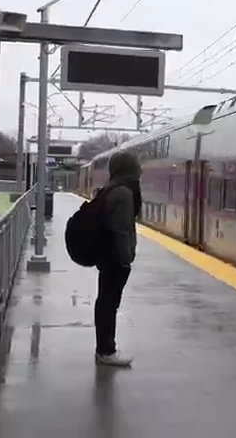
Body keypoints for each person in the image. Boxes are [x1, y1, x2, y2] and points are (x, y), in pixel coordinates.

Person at [94, 151, 142, 367]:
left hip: (107, 257)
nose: (140, 170)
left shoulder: (111, 188)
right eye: (136, 166)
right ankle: (106, 350)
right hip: (115, 260)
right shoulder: (123, 193)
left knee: (105, 303)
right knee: (108, 304)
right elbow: (121, 230)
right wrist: (125, 260)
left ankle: (104, 349)